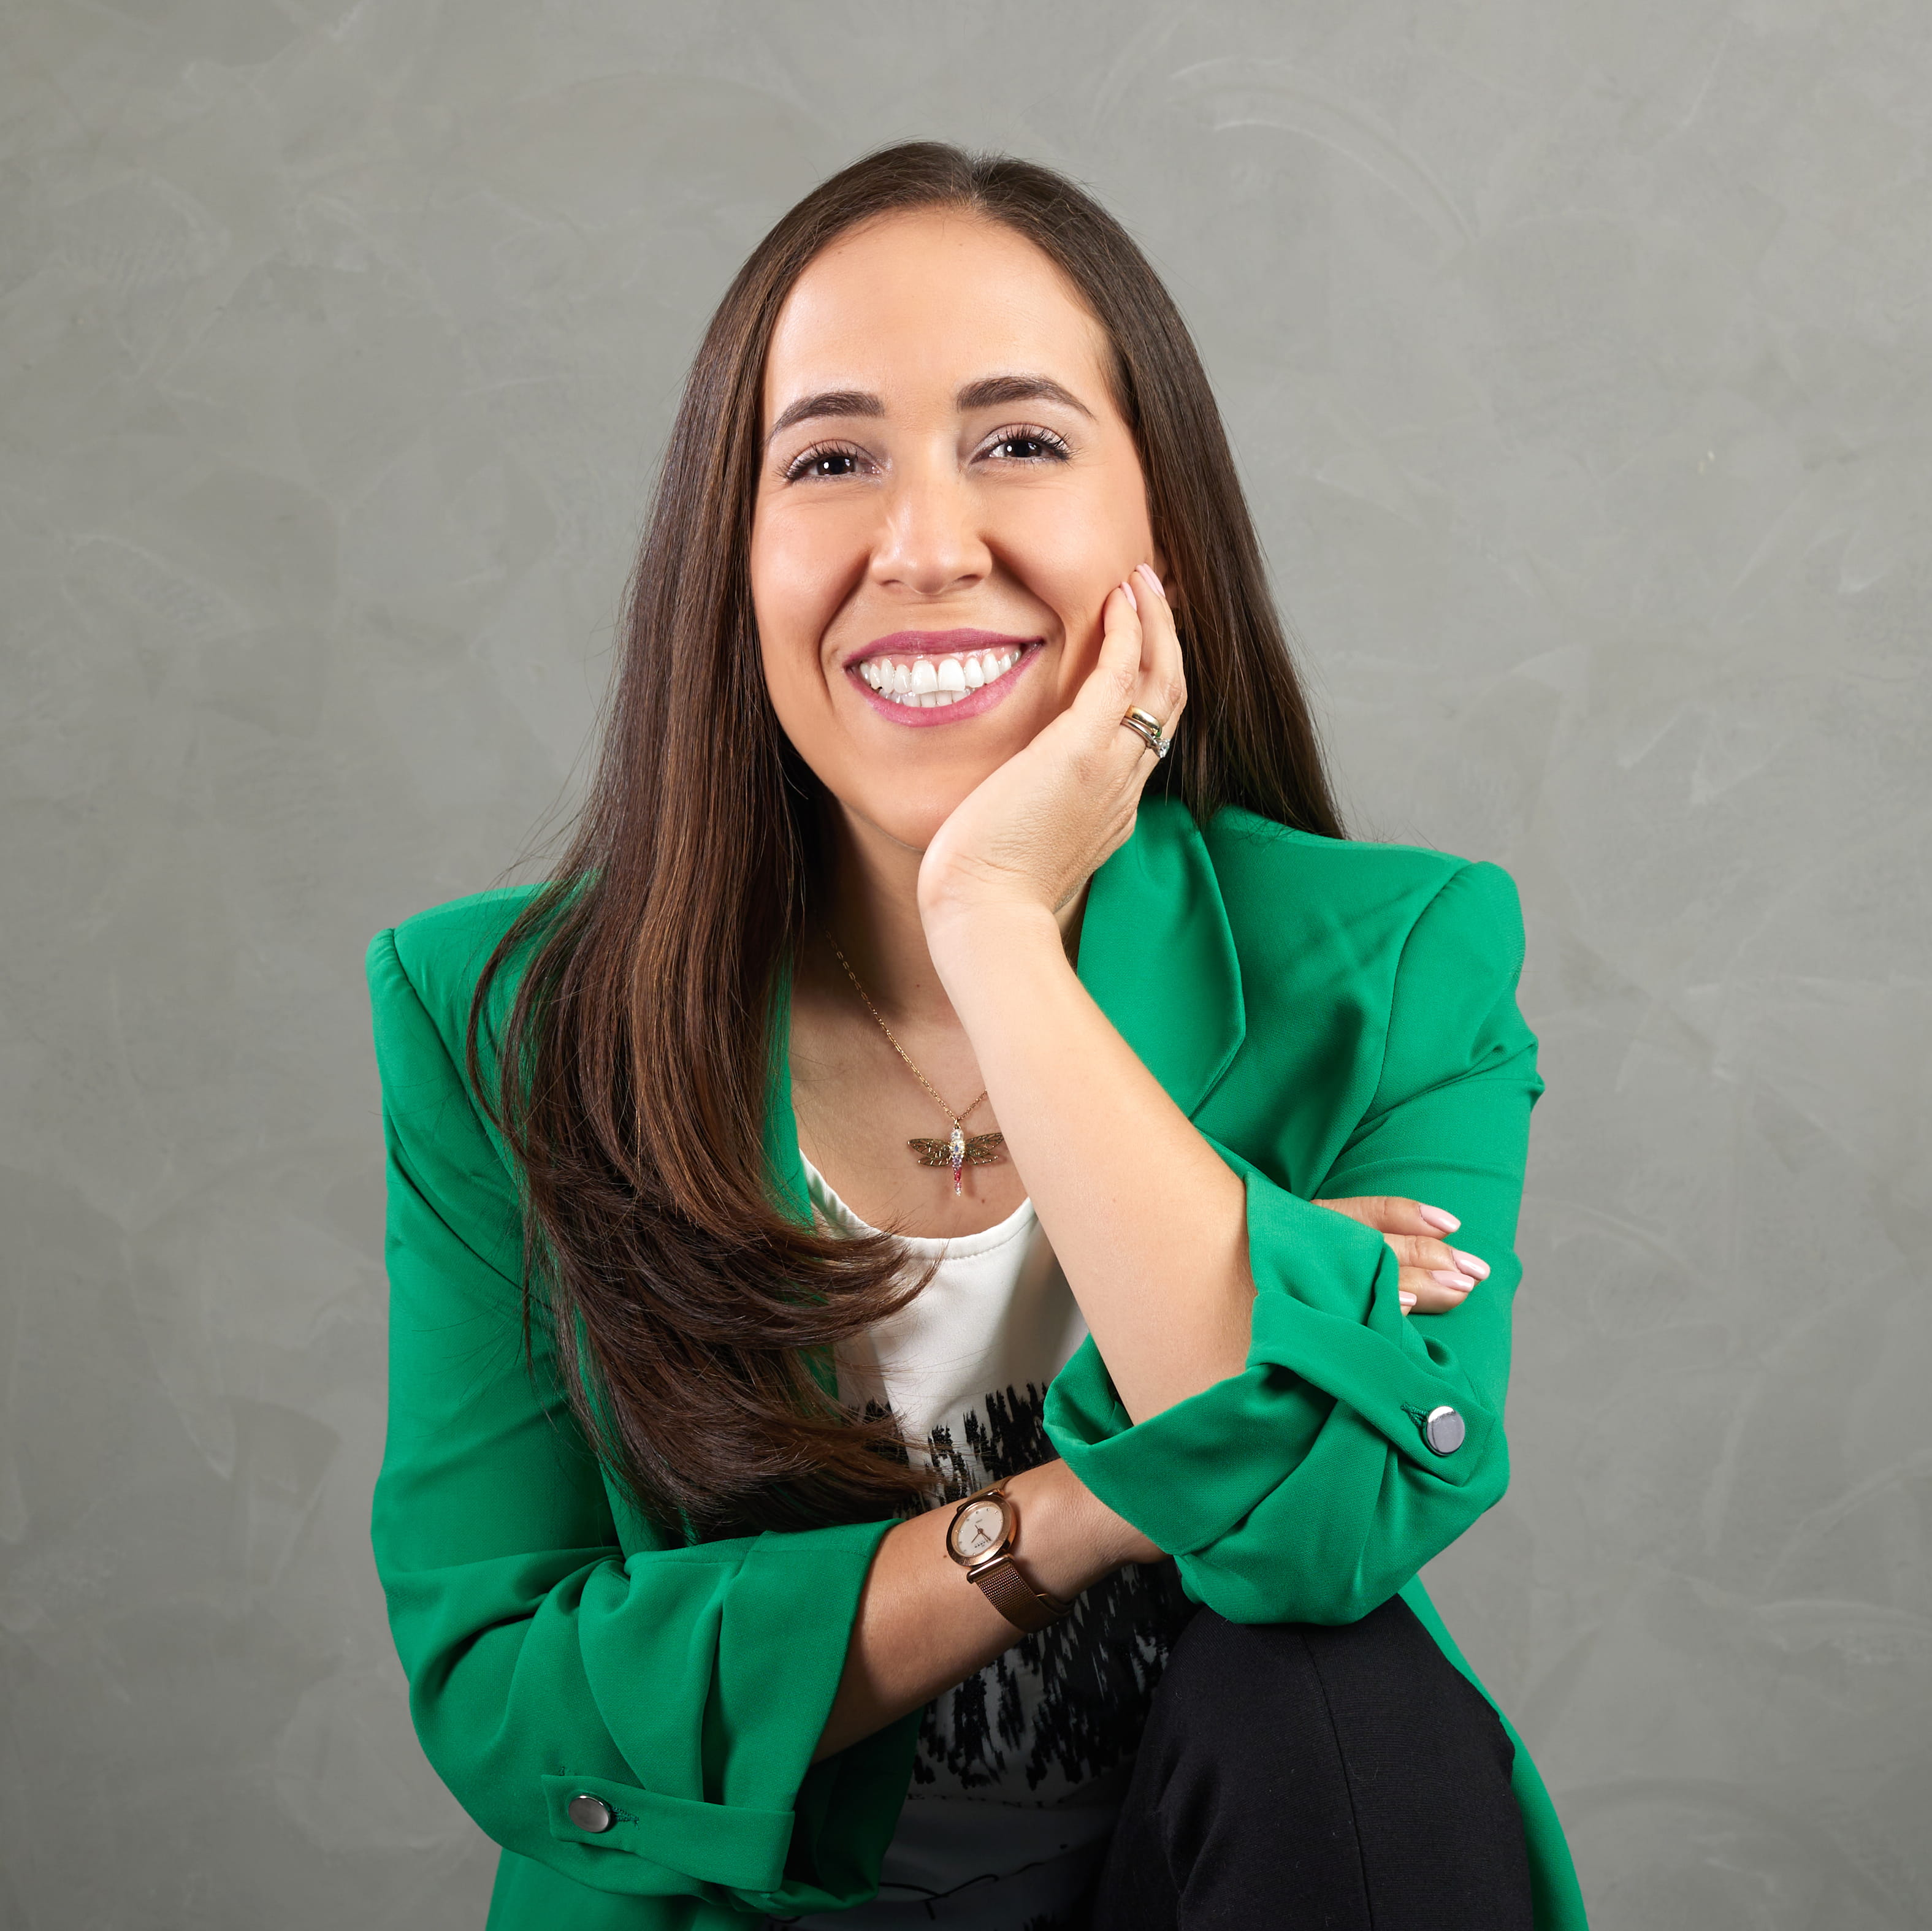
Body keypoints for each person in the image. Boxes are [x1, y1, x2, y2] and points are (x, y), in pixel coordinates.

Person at [365, 141, 1589, 1931]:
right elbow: (517, 1695)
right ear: (736, 549)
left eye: (1020, 442)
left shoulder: (1393, 957)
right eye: (833, 458)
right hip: (737, 1910)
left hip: (1221, 1886)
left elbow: (1331, 1534)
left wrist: (996, 925)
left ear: (1157, 520)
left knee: (1338, 1691)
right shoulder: (504, 1019)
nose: (928, 544)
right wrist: (1085, 1504)